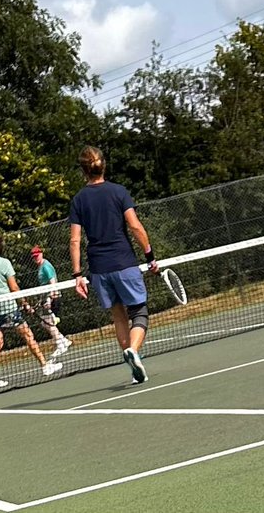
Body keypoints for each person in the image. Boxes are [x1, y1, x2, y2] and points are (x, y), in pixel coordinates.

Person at [68, 146, 159, 385]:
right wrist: (149, 256)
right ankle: (134, 352)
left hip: (99, 269)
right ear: (103, 166)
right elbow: (135, 226)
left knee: (119, 316)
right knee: (139, 312)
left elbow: (75, 239)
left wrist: (77, 274)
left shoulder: (78, 200)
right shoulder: (119, 192)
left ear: (83, 171)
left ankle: (133, 368)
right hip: (124, 262)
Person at [0, 231, 63, 388]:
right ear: (0, 247)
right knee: (28, 336)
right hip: (9, 309)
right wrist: (24, 303)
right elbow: (14, 287)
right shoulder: (5, 263)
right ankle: (45, 366)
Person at [30, 245, 72, 358]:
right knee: (46, 322)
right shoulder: (40, 267)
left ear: (41, 254)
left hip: (51, 296)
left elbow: (52, 281)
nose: (36, 258)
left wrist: (51, 297)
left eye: (37, 256)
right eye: (34, 257)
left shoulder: (46, 266)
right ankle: (63, 341)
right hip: (45, 296)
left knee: (47, 322)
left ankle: (60, 343)